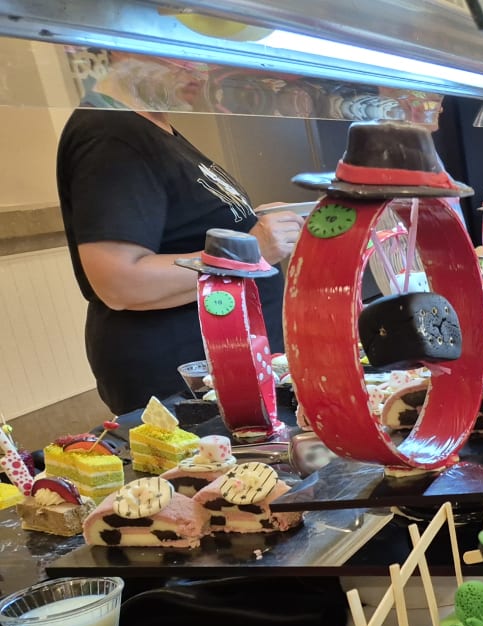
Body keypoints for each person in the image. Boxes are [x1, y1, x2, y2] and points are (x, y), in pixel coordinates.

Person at [57, 53, 304, 414]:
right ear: (125, 47)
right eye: (183, 56)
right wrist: (253, 250)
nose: (201, 70)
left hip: (227, 367)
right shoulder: (111, 134)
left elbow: (188, 231)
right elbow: (119, 282)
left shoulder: (154, 128)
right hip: (182, 377)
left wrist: (252, 223)